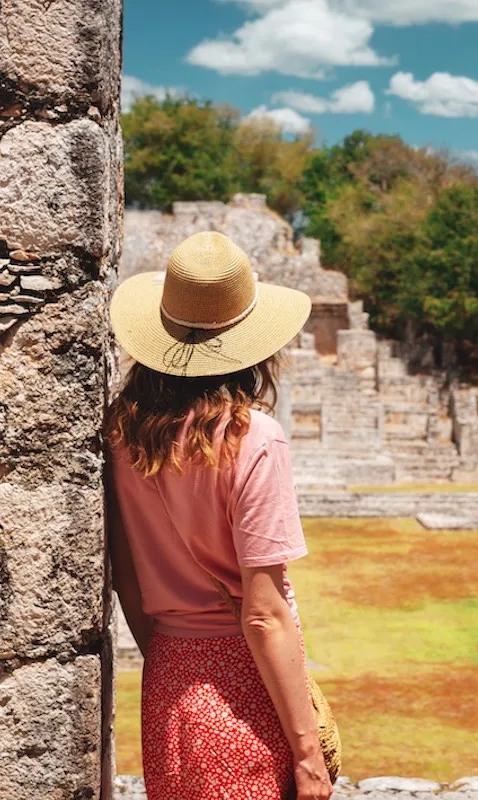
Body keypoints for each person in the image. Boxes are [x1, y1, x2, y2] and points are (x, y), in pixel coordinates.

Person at [105, 230, 334, 800]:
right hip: (244, 695)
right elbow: (264, 614)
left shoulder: (120, 435)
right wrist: (307, 754)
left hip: (168, 682)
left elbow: (129, 581)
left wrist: (175, 651)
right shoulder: (251, 438)